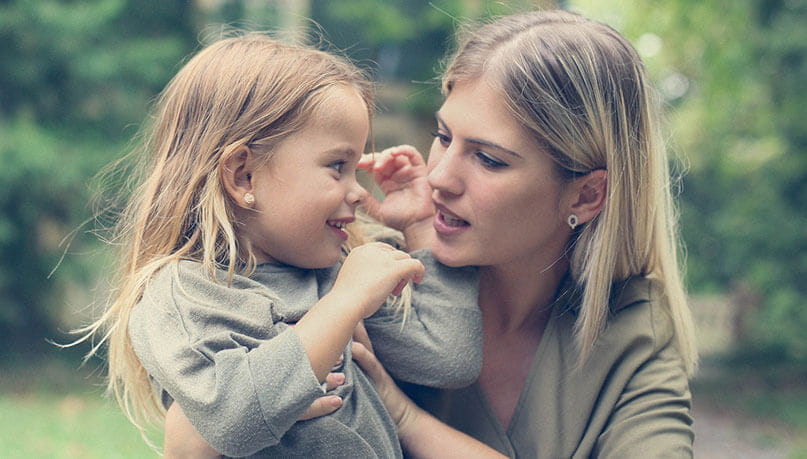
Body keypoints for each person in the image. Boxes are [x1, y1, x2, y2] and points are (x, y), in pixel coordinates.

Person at [77, 33, 482, 458]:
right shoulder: (185, 294)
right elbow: (231, 421)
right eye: (337, 167)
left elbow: (448, 360)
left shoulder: (336, 269)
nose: (360, 192)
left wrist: (419, 226)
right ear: (243, 176)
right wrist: (342, 306)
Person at [350, 9, 699, 458]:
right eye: (442, 136)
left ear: (587, 195)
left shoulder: (633, 328)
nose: (439, 178)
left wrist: (405, 419)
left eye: (489, 159)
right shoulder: (366, 278)